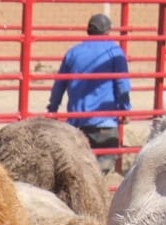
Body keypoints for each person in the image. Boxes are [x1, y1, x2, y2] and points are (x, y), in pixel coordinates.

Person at [47, 13, 132, 173]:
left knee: (76, 167)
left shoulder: (73, 52)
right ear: (108, 31)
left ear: (88, 31)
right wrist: (124, 110)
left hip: (76, 124)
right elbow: (122, 85)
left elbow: (59, 84)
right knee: (104, 163)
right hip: (104, 124)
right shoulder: (114, 52)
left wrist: (52, 108)